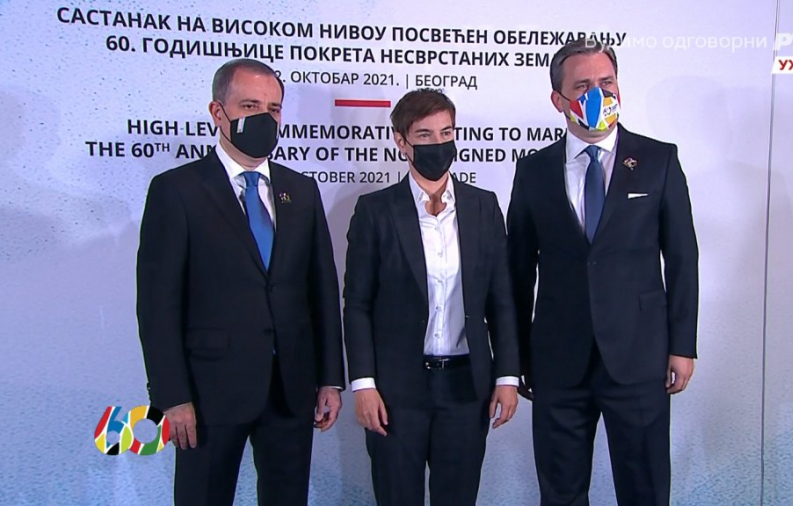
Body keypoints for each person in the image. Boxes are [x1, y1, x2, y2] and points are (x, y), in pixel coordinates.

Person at [136, 58, 344, 506]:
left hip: (290, 388)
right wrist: (172, 395)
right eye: (250, 106)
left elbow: (322, 292)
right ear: (218, 112)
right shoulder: (177, 190)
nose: (264, 118)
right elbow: (157, 306)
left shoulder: (301, 191)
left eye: (273, 108)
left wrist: (330, 378)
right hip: (208, 394)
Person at [507, 39, 699, 506]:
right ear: (558, 99)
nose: (598, 94)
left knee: (645, 491)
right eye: (583, 86)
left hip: (639, 358)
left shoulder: (658, 160)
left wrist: (682, 345)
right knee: (561, 494)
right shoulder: (533, 171)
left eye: (606, 82)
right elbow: (517, 272)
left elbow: (682, 258)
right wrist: (514, 359)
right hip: (556, 363)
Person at [343, 88, 519, 506]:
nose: (438, 144)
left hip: (466, 387)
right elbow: (358, 305)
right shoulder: (375, 211)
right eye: (424, 135)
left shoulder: (483, 207)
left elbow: (502, 300)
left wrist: (507, 376)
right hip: (396, 389)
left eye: (446, 133)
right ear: (401, 141)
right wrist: (363, 384)